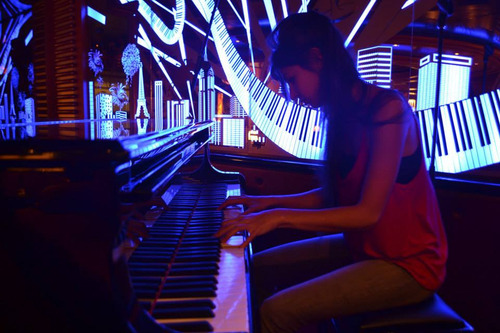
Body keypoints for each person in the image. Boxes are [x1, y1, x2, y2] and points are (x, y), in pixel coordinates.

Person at [215, 11, 448, 333]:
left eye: (293, 80)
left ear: (317, 59)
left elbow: (367, 212)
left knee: (276, 311)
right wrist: (264, 203)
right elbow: (336, 195)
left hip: (407, 265)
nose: (292, 95)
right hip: (366, 246)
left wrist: (279, 217)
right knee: (256, 265)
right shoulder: (341, 115)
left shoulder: (388, 108)